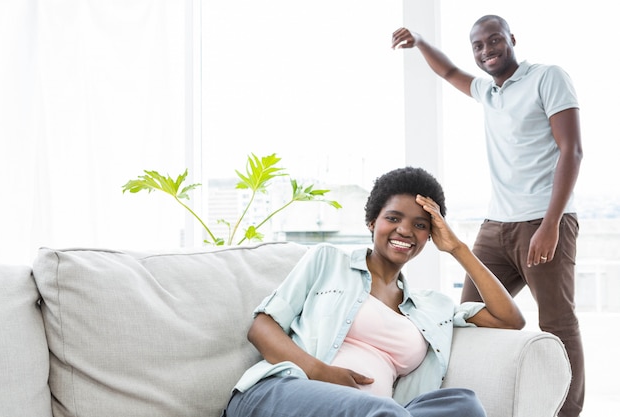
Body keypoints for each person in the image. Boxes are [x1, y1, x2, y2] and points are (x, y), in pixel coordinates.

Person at [392, 15, 584, 417]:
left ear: (511, 39)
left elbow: (572, 150)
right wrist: (421, 40)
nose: (487, 50)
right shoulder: (489, 92)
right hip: (496, 225)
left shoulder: (547, 77)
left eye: (494, 41)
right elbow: (447, 71)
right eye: (478, 46)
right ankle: (481, 402)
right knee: (470, 317)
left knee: (558, 324)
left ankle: (566, 413)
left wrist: (550, 225)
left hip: (544, 222)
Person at [223, 166, 525, 417]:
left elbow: (509, 319)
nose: (405, 230)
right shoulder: (328, 261)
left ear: (430, 235)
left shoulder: (433, 309)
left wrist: (457, 248)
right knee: (382, 412)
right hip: (285, 393)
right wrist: (321, 372)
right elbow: (261, 328)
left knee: (465, 405)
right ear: (372, 222)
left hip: (383, 411)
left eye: (420, 225)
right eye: (393, 218)